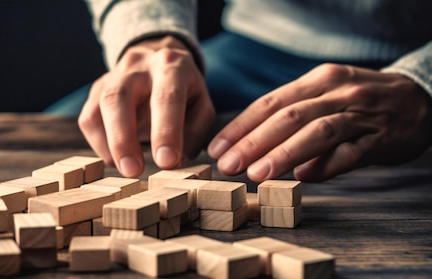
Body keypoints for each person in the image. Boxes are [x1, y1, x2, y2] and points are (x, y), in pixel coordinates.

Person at [51, 0, 432, 182]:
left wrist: (422, 81)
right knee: (69, 127)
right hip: (253, 43)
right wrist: (149, 34)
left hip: (417, 56)